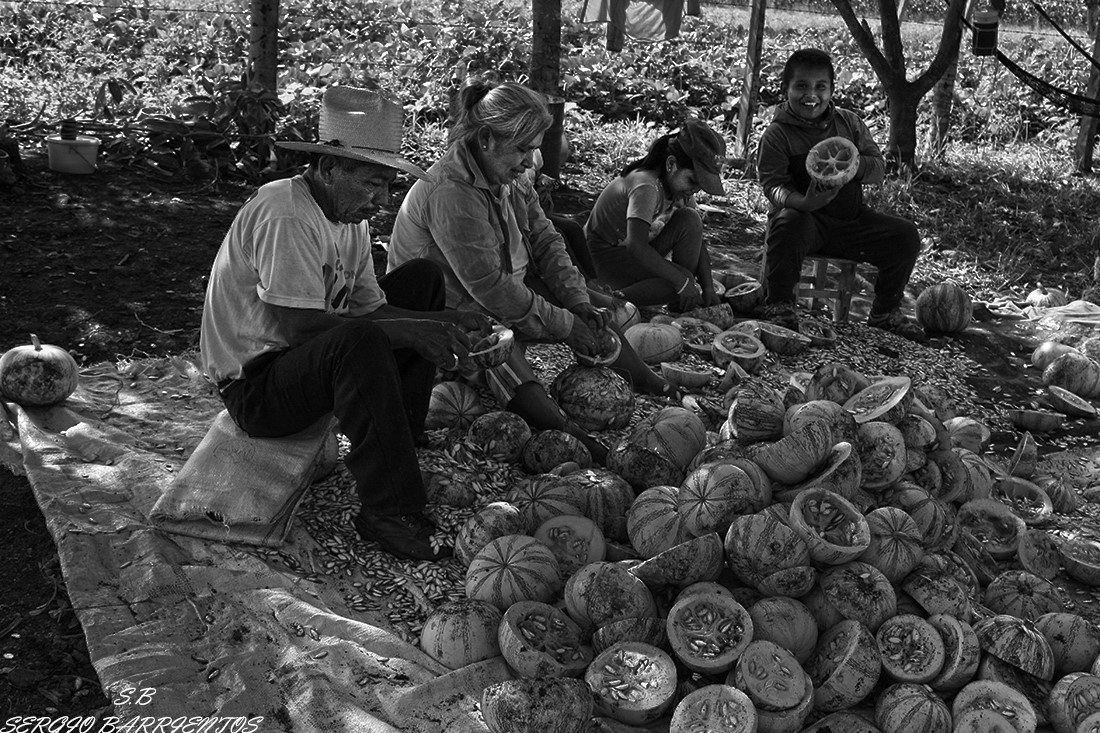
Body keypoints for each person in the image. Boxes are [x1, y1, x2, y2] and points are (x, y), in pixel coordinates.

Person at [200, 86, 490, 561]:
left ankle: (400, 433)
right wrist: (412, 331)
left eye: (387, 186)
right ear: (329, 168)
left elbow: (371, 308)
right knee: (358, 341)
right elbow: (303, 330)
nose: (380, 200)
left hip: (305, 363)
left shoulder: (350, 220)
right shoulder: (286, 213)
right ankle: (386, 511)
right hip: (256, 388)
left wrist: (443, 320)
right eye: (370, 184)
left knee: (421, 281)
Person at [387, 79, 678, 464]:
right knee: (495, 338)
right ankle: (566, 430)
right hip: (447, 310)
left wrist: (576, 301)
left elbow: (546, 239)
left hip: (502, 287)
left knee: (581, 306)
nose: (529, 162)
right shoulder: (452, 191)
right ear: (487, 138)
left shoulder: (512, 175)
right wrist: (565, 325)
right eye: (522, 149)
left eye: (533, 149)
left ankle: (645, 378)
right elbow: (490, 288)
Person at [756, 48, 925, 341]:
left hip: (850, 221)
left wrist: (853, 164)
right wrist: (803, 202)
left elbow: (879, 169)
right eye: (801, 86)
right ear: (786, 90)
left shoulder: (850, 124)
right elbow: (773, 186)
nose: (812, 95)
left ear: (832, 89)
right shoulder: (777, 134)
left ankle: (885, 312)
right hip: (806, 224)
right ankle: (780, 305)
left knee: (906, 235)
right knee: (786, 224)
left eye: (821, 87)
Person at [584, 119, 727, 311]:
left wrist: (708, 287)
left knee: (690, 220)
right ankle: (610, 301)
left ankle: (681, 300)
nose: (694, 191)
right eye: (692, 181)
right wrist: (682, 283)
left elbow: (696, 239)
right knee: (679, 282)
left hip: (631, 257)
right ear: (671, 164)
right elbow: (637, 246)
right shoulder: (646, 186)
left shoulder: (680, 192)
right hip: (602, 260)